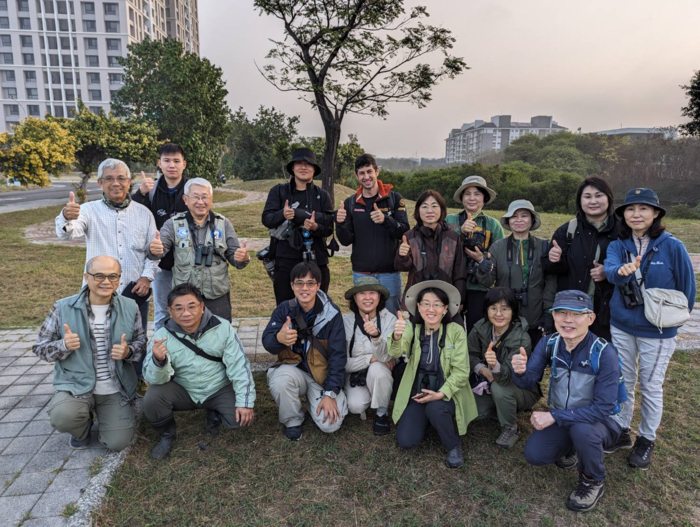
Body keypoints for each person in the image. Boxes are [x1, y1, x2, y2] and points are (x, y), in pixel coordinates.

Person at [604, 188, 695, 469]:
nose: (636, 214)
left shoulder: (671, 245)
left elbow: (687, 290)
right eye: (630, 209)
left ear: (655, 213)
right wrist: (619, 272)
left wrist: (670, 319)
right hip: (621, 325)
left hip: (657, 330)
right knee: (625, 381)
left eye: (643, 209)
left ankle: (647, 438)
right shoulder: (618, 245)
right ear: (623, 215)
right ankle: (621, 430)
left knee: (651, 385)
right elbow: (609, 270)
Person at [511, 290, 624, 513]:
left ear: (590, 318)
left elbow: (603, 409)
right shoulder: (549, 343)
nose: (568, 320)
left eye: (576, 314)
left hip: (600, 423)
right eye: (561, 313)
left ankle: (593, 481)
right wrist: (519, 371)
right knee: (535, 454)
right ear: (553, 317)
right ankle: (572, 447)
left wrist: (553, 416)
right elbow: (527, 381)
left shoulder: (604, 353)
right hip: (566, 417)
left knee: (583, 432)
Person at [55, 158, 157, 388]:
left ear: (130, 182)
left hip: (134, 289)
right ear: (100, 182)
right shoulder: (88, 211)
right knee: (97, 338)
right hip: (98, 290)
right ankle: (96, 384)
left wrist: (146, 276)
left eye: (121, 178)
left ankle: (136, 380)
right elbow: (69, 233)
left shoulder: (144, 213)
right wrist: (66, 216)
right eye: (109, 178)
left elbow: (154, 250)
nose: (116, 183)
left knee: (135, 338)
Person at [32, 255, 146, 451]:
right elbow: (40, 348)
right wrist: (63, 345)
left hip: (114, 388)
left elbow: (141, 344)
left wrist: (128, 351)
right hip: (77, 386)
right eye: (99, 275)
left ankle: (104, 415)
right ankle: (81, 429)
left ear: (119, 279)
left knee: (118, 442)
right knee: (63, 417)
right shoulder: (62, 307)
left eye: (112, 276)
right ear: (86, 277)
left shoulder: (130, 306)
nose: (106, 282)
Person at [142, 283, 256, 460]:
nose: (186, 313)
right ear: (170, 311)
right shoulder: (161, 336)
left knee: (239, 421)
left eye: (191, 306)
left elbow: (240, 366)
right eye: (178, 308)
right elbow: (152, 378)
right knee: (153, 397)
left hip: (218, 386)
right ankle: (167, 435)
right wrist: (159, 361)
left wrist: (245, 402)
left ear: (202, 307)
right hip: (183, 388)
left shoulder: (223, 327)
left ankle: (214, 411)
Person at [388, 280, 477, 469]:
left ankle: (453, 445)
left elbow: (461, 372)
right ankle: (428, 420)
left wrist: (441, 394)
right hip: (419, 393)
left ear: (445, 309)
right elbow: (397, 352)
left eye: (437, 304)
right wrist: (396, 336)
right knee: (406, 441)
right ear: (418, 307)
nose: (431, 309)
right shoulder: (412, 328)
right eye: (426, 304)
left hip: (446, 393)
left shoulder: (456, 331)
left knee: (435, 409)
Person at [262, 262, 348, 440]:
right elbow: (267, 341)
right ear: (292, 286)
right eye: (299, 283)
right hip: (293, 371)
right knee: (280, 380)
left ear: (318, 286)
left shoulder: (332, 314)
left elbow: (338, 357)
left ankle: (317, 399)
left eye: (310, 283)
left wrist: (330, 393)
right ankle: (292, 420)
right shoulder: (284, 309)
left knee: (330, 426)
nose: (305, 288)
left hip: (321, 378)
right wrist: (279, 338)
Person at [148, 177, 250, 322]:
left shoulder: (223, 223)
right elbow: (159, 251)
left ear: (211, 199)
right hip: (185, 297)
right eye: (195, 197)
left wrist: (242, 258)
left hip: (217, 294)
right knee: (186, 339)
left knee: (218, 337)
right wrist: (154, 249)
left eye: (204, 197)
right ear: (185, 199)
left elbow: (236, 258)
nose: (200, 202)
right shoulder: (173, 224)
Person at [543, 177, 619, 341]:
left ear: (609, 198)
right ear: (579, 200)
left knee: (606, 360)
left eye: (598, 196)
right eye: (587, 196)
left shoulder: (623, 230)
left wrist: (609, 271)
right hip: (574, 311)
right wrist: (554, 259)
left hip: (609, 313)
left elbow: (634, 264)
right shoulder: (568, 230)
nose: (593, 201)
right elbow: (552, 270)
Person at [335, 154, 410, 315]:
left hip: (390, 273)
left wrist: (385, 220)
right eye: (361, 173)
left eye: (369, 171)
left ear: (377, 171)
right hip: (362, 272)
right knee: (366, 320)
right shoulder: (351, 202)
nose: (366, 176)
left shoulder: (394, 198)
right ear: (356, 176)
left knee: (391, 320)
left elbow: (404, 231)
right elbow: (346, 240)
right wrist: (340, 224)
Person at [475, 199, 557, 346]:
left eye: (524, 215)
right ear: (508, 221)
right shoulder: (497, 247)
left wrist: (548, 312)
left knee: (532, 361)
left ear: (532, 220)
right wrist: (482, 266)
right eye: (514, 216)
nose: (518, 220)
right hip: (505, 314)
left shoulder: (544, 247)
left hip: (535, 313)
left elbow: (550, 282)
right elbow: (487, 281)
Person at [469, 287, 540, 449]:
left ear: (513, 311)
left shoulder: (522, 337)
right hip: (488, 382)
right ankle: (503, 409)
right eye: (493, 308)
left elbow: (506, 377)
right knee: (474, 412)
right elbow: (469, 354)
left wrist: (494, 365)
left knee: (499, 389)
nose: (498, 314)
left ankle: (511, 428)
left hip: (520, 388)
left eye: (505, 309)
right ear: (486, 310)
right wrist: (481, 368)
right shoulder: (480, 327)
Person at [261, 148, 335, 304]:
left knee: (317, 308)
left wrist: (315, 227)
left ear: (314, 169)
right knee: (286, 307)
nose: (303, 167)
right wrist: (283, 214)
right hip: (285, 260)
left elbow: (328, 228)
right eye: (299, 163)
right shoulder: (279, 191)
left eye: (308, 164)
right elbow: (267, 219)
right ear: (292, 167)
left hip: (316, 259)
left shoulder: (322, 195)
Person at [132, 143, 189, 331]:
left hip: (188, 263)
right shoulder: (151, 190)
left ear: (184, 164)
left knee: (188, 311)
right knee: (163, 311)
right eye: (167, 161)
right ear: (159, 163)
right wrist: (140, 194)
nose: (171, 165)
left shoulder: (191, 189)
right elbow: (133, 215)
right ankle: (161, 353)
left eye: (176, 161)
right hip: (160, 264)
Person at [445, 175, 505, 333]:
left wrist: (481, 259)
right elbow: (440, 249)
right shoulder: (449, 220)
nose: (472, 198)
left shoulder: (493, 225)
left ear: (484, 199)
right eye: (467, 194)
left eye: (477, 194)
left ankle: (475, 358)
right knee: (450, 328)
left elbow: (499, 259)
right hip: (451, 284)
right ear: (462, 197)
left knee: (476, 330)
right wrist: (459, 232)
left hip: (479, 287)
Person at [394, 190, 466, 313]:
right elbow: (402, 267)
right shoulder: (409, 237)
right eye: (424, 207)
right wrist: (402, 255)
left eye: (434, 206)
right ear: (418, 211)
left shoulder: (453, 238)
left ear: (442, 210)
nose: (429, 211)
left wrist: (458, 300)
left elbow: (459, 272)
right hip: (417, 298)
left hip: (445, 299)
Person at [342, 277, 397, 435]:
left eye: (372, 293)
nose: (367, 297)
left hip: (379, 372)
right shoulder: (345, 322)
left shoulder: (390, 320)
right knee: (355, 406)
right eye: (362, 293)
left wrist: (375, 337)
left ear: (379, 297)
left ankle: (382, 413)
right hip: (355, 374)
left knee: (378, 369)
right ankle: (366, 396)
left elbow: (387, 357)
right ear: (355, 297)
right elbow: (342, 363)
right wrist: (370, 359)